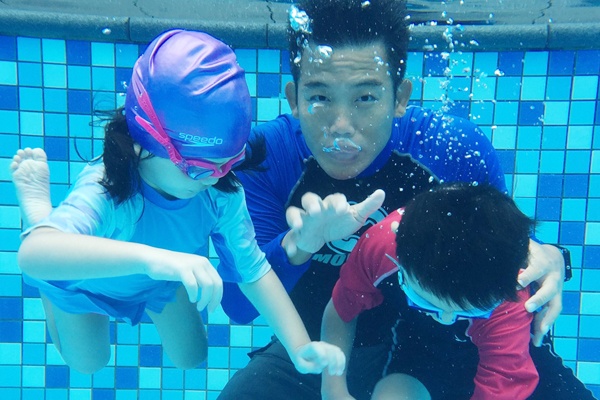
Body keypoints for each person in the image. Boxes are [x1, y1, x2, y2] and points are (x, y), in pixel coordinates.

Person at [219, 0, 594, 399]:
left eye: (365, 98)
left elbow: (501, 247)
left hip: (453, 338)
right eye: (321, 98)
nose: (341, 127)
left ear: (400, 97)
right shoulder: (265, 158)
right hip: (328, 344)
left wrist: (552, 257)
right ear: (293, 99)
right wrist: (298, 246)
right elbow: (238, 308)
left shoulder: (451, 148)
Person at [10, 29, 345, 376]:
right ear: (143, 141)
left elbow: (254, 270)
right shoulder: (107, 189)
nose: (214, 177)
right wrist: (155, 261)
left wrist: (300, 347)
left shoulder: (220, 191)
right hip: (90, 278)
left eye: (229, 161)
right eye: (198, 167)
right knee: (89, 363)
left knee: (192, 355)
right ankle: (39, 217)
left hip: (160, 278)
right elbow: (32, 255)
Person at [321, 182, 539, 399]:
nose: (446, 318)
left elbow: (502, 383)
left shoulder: (510, 298)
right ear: (401, 265)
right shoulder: (382, 248)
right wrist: (333, 390)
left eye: (471, 310)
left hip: (514, 353)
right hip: (423, 351)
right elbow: (341, 310)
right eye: (425, 301)